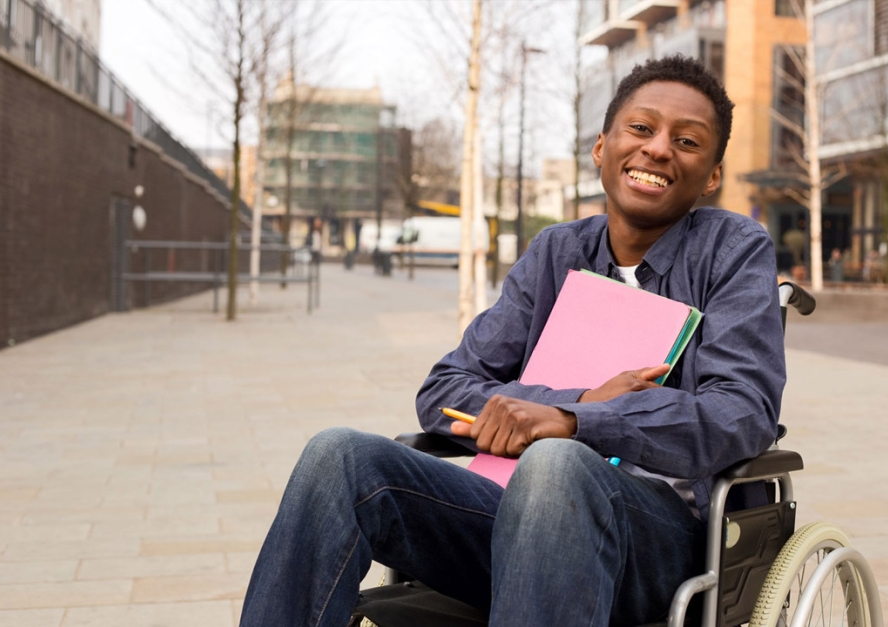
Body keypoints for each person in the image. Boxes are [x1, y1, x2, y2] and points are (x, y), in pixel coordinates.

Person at [239, 55, 786, 627]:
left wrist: (579, 423)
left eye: (687, 141)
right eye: (641, 129)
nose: (657, 149)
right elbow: (444, 388)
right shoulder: (556, 252)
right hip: (509, 514)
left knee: (557, 463)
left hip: (656, 536)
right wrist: (565, 405)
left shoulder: (733, 249)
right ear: (603, 148)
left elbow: (741, 413)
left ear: (713, 175)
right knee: (338, 455)